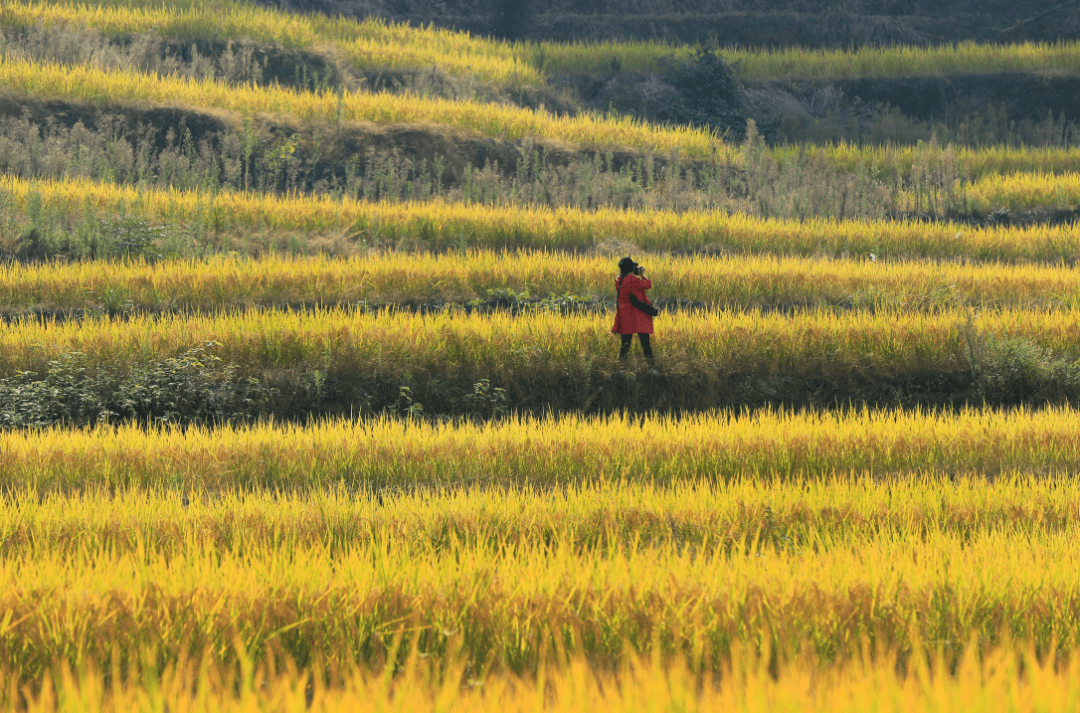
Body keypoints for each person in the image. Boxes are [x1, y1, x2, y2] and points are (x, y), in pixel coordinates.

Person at [611, 256, 658, 362]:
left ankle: (621, 368)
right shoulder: (634, 280)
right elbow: (647, 284)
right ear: (631, 268)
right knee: (645, 344)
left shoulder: (619, 281)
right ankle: (651, 368)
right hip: (638, 315)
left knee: (625, 344)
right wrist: (642, 275)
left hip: (625, 316)